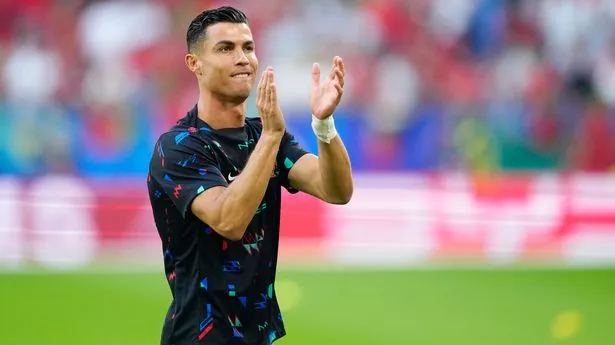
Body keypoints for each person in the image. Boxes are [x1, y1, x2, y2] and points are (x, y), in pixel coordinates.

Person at [147, 6, 353, 345]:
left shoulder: (265, 134)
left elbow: (337, 190)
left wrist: (324, 125)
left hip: (258, 336)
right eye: (225, 49)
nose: (243, 58)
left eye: (248, 47)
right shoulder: (179, 147)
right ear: (194, 64)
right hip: (199, 337)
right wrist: (271, 137)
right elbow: (229, 221)